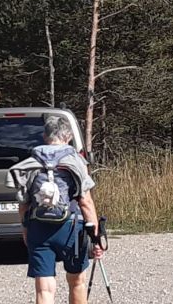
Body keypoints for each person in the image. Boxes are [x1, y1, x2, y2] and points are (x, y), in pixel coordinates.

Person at [18, 115, 105, 304]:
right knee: (76, 281)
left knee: (44, 288)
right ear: (68, 137)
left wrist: (25, 229)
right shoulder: (75, 161)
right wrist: (96, 237)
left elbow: (23, 204)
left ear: (44, 136)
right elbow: (86, 202)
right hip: (72, 229)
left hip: (39, 228)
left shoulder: (32, 162)